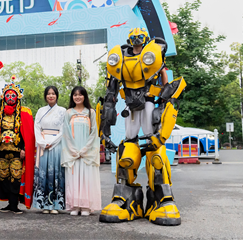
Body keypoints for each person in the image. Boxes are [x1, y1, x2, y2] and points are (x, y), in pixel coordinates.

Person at [99, 27, 186, 226]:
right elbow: (112, 87)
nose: (137, 42)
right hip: (130, 106)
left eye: (140, 39)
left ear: (145, 40)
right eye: (134, 39)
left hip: (148, 101)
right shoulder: (121, 58)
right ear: (130, 40)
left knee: (154, 146)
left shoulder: (152, 56)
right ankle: (126, 196)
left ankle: (161, 197)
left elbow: (163, 73)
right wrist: (106, 116)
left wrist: (165, 97)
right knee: (128, 147)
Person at [0, 75, 35, 214]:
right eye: (8, 95)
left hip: (17, 152)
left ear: (17, 97)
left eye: (13, 95)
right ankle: (9, 203)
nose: (10, 97)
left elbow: (28, 134)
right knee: (4, 177)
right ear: (3, 97)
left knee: (15, 177)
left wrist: (24, 149)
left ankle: (14, 205)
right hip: (1, 151)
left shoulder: (24, 112)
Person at [61, 86, 101, 216]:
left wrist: (84, 150)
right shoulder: (68, 113)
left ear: (84, 96)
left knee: (86, 178)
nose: (77, 97)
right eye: (75, 95)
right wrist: (73, 150)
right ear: (72, 97)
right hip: (73, 152)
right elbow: (65, 133)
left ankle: (86, 206)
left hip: (86, 152)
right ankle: (75, 205)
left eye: (80, 94)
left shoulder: (91, 112)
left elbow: (94, 132)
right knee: (73, 178)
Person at [32, 86, 66, 214]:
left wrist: (51, 142)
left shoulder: (63, 111)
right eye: (48, 94)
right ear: (45, 96)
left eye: (53, 93)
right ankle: (44, 204)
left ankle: (56, 204)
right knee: (43, 173)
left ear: (57, 95)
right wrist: (41, 142)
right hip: (43, 144)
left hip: (56, 145)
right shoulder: (41, 111)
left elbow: (63, 130)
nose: (51, 96)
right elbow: (37, 128)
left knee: (56, 173)